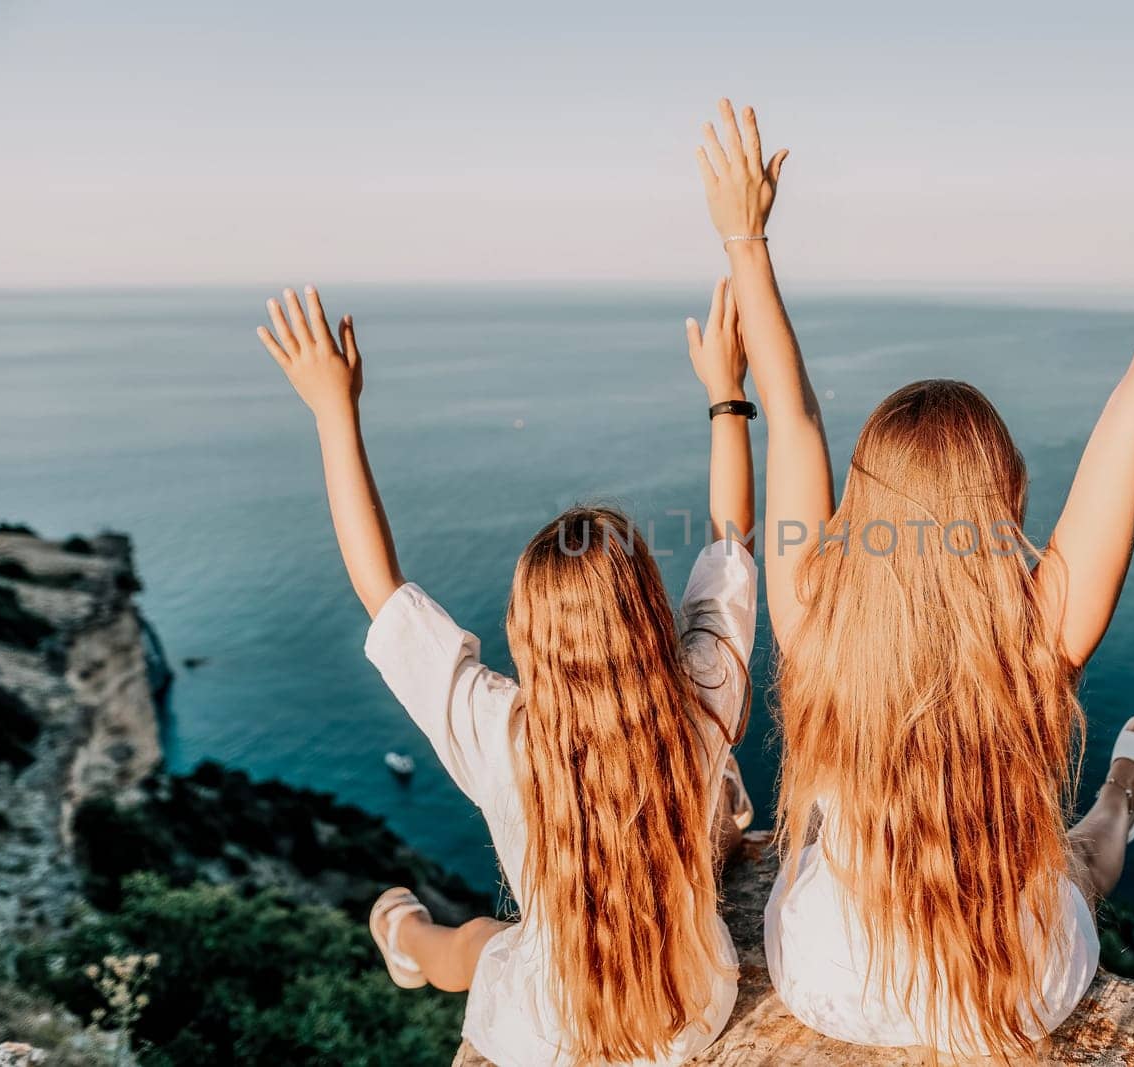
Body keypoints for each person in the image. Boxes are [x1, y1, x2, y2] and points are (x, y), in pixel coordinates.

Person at [695, 73, 1134, 1058]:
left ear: (863, 493)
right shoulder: (1044, 624)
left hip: (830, 983)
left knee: (822, 843)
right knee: (1076, 859)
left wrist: (743, 240)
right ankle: (1116, 798)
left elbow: (796, 413)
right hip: (1019, 987)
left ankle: (1106, 802)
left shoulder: (811, 605)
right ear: (1006, 494)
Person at [254, 280, 760, 1066]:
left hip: (556, 1027)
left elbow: (380, 591)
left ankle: (400, 934)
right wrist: (727, 394)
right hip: (698, 1003)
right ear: (650, 612)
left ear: (528, 634)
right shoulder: (702, 694)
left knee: (482, 942)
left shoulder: (503, 734)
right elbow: (732, 539)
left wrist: (333, 413)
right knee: (711, 810)